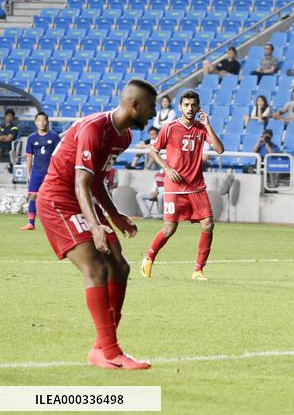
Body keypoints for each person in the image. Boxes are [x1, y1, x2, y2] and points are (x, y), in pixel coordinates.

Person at [35, 79, 158, 370]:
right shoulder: (93, 128)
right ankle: (112, 352)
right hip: (58, 201)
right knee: (97, 268)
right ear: (134, 105)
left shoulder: (123, 136)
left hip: (83, 198)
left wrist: (114, 216)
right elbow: (81, 182)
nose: (153, 114)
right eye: (151, 107)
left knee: (121, 267)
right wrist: (94, 227)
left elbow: (97, 179)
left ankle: (100, 348)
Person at [140, 91, 224, 281]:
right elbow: (153, 151)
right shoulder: (169, 128)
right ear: (180, 107)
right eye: (186, 105)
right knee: (169, 229)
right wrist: (167, 169)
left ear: (198, 107)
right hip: (175, 187)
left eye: (193, 105)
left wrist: (208, 125)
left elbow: (219, 149)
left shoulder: (202, 128)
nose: (190, 108)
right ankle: (149, 258)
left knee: (208, 225)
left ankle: (198, 270)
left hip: (196, 186)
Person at [20, 112, 60, 231]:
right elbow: (29, 156)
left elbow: (58, 155)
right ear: (35, 122)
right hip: (37, 172)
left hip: (51, 172)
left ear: (47, 121)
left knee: (53, 197)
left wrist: (57, 171)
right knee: (33, 195)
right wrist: (28, 173)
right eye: (39, 120)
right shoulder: (32, 138)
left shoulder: (54, 136)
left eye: (44, 120)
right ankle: (31, 223)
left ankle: (56, 223)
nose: (41, 122)